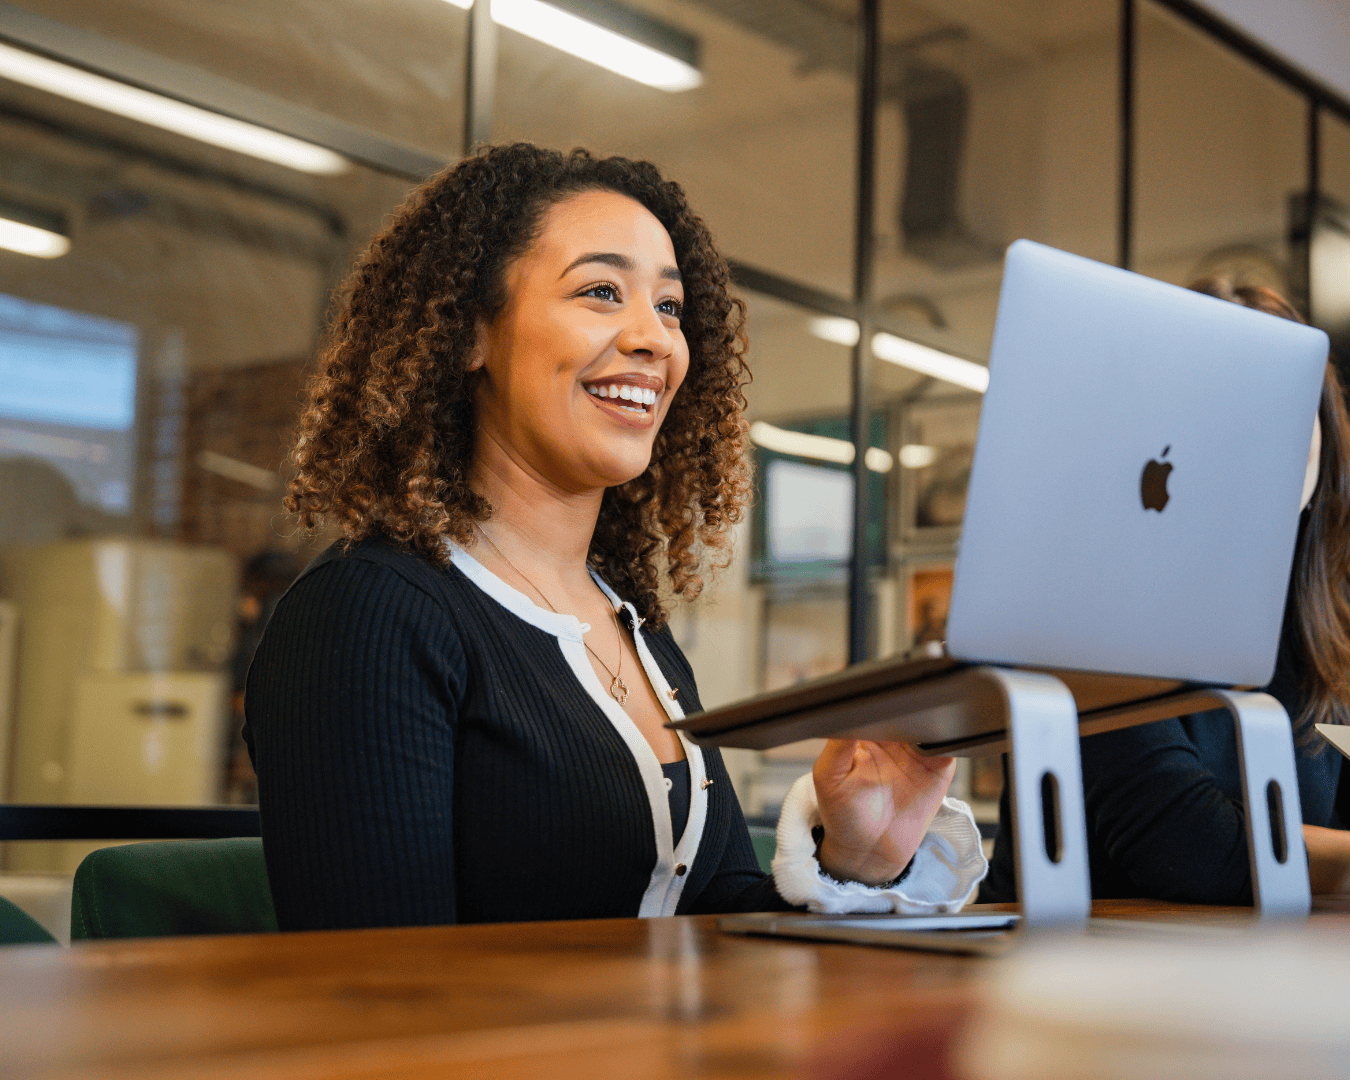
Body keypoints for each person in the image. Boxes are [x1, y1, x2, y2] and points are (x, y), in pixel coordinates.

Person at [244, 144, 985, 931]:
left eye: (668, 307)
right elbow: (379, 996)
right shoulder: (368, 615)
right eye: (601, 292)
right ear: (468, 335)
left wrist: (857, 858)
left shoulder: (634, 625)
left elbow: (713, 920)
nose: (655, 340)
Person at [980, 278, 1350, 906]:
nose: (1266, 431)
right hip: (1076, 983)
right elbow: (1191, 852)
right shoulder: (1092, 611)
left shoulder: (1327, 632)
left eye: (1289, 400)